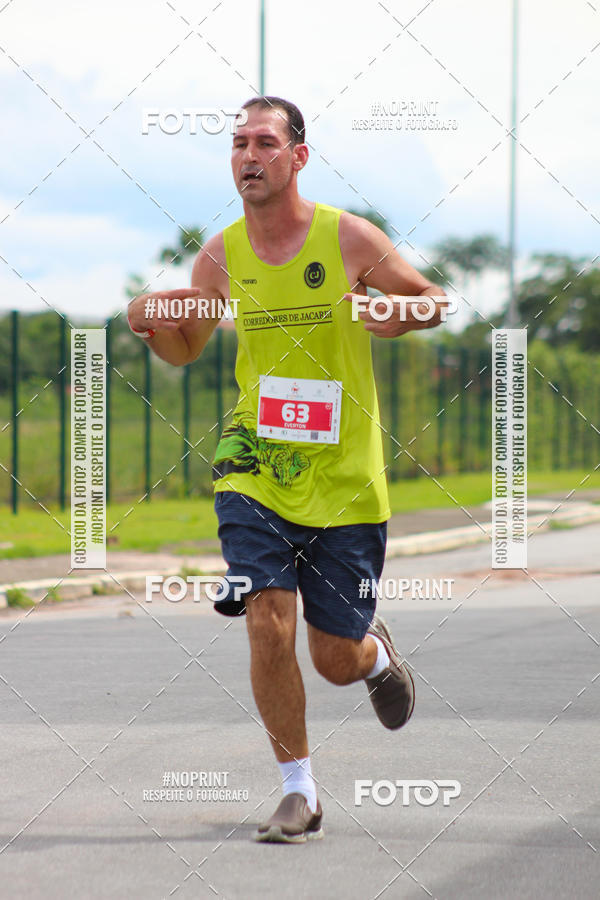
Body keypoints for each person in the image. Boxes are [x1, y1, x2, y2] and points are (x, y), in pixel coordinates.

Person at [127, 96, 448, 844]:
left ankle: (373, 655)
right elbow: (186, 347)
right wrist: (152, 328)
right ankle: (298, 791)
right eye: (238, 143)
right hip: (255, 466)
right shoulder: (219, 255)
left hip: (344, 480)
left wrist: (395, 316)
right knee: (268, 622)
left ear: (298, 157)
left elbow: (434, 301)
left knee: (332, 658)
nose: (248, 156)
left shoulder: (348, 238)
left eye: (264, 143)